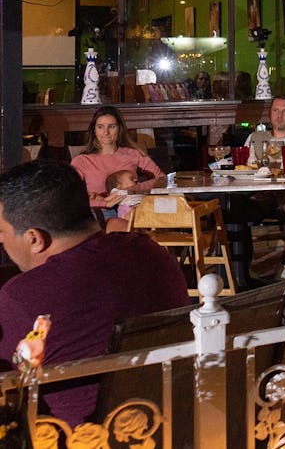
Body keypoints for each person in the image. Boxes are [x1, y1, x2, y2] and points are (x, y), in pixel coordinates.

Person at [0, 161, 190, 425]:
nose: (2, 242)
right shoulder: (153, 254)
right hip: (176, 422)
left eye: (2, 232)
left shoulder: (22, 297)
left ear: (34, 239)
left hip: (82, 437)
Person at [70, 105, 165, 232]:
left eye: (111, 126)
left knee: (170, 209)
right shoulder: (81, 161)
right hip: (99, 214)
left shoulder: (133, 154)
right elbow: (70, 197)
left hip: (132, 209)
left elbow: (162, 180)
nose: (106, 132)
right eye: (100, 127)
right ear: (94, 130)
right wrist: (103, 202)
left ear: (119, 129)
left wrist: (135, 190)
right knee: (122, 226)